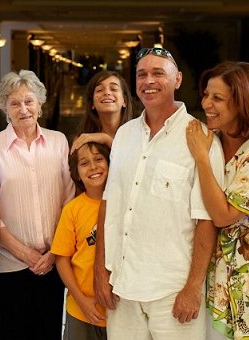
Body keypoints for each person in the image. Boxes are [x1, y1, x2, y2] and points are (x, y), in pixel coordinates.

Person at [93, 47, 225, 339]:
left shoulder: (201, 138)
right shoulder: (125, 135)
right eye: (141, 74)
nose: (148, 81)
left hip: (173, 291)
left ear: (177, 79)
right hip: (122, 287)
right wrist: (101, 272)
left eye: (157, 73)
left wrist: (193, 288)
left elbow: (206, 220)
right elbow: (108, 206)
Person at [186, 61, 249, 340]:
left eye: (217, 98)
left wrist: (202, 160)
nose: (206, 103)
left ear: (243, 103)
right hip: (213, 287)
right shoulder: (213, 140)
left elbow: (222, 215)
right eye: (206, 94)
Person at [0, 69, 75, 340]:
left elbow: (69, 199)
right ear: (5, 108)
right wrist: (25, 254)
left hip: (52, 263)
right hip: (10, 265)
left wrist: (53, 252)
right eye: (14, 103)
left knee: (48, 331)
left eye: (29, 101)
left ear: (40, 103)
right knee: (12, 332)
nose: (23, 109)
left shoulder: (58, 141)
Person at [52, 141, 110, 340]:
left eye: (99, 159)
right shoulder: (73, 210)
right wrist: (81, 300)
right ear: (76, 173)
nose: (93, 167)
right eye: (84, 163)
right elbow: (62, 259)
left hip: (121, 310)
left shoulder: (124, 205)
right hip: (81, 309)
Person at [70, 70, 134, 153]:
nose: (107, 93)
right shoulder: (83, 139)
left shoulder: (138, 133)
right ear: (92, 103)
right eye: (99, 90)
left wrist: (105, 139)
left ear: (124, 101)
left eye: (113, 89)